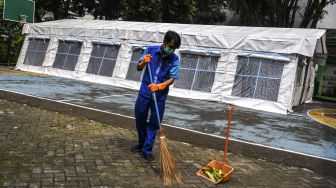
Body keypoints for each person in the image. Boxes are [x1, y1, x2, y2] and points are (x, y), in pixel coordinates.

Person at [132, 31, 181, 162]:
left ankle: (147, 150)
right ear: (164, 42)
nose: (172, 50)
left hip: (160, 95)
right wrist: (143, 63)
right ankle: (142, 143)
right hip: (145, 91)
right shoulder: (151, 50)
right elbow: (138, 68)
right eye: (170, 46)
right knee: (140, 117)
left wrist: (160, 86)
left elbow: (172, 78)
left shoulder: (175, 59)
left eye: (174, 48)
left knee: (154, 123)